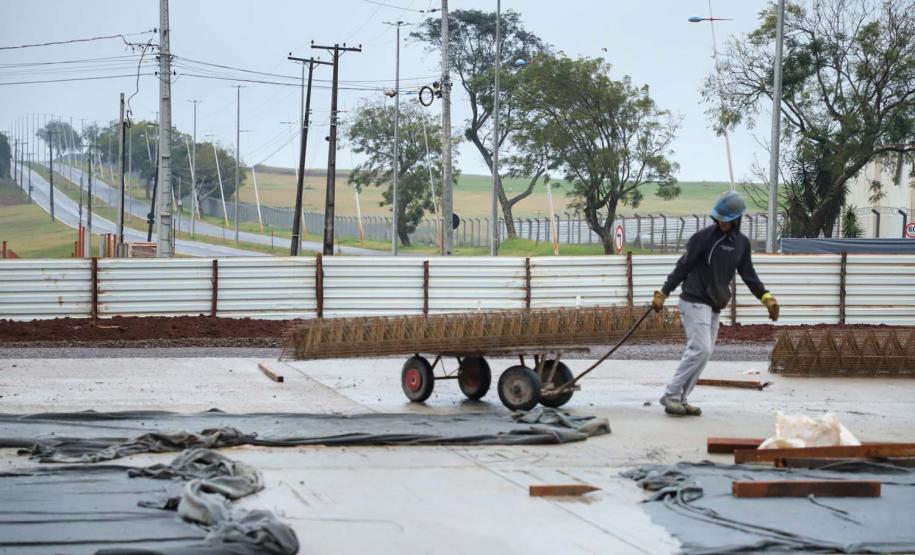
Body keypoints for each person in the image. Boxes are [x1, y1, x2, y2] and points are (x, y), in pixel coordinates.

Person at [651, 191, 779, 417]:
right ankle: (670, 395)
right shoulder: (703, 239)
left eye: (726, 220)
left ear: (737, 219)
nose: (722, 223)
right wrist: (664, 292)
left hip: (715, 303)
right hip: (694, 299)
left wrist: (765, 297)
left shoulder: (742, 244)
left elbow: (748, 274)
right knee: (700, 349)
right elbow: (683, 266)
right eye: (719, 219)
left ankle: (681, 398)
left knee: (704, 353)